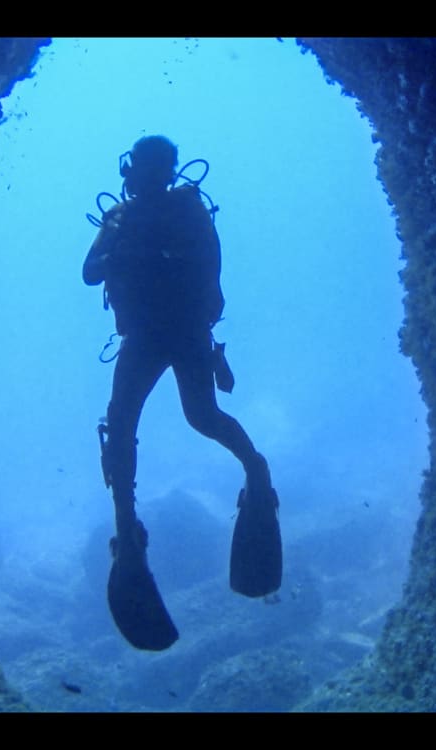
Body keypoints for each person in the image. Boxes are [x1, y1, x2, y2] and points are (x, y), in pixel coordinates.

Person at [83, 135, 281, 651]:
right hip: (165, 334)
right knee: (152, 420)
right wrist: (117, 243)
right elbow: (90, 272)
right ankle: (130, 529)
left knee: (185, 418)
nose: (144, 177)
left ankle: (135, 528)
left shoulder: (168, 213)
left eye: (150, 168)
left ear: (153, 169)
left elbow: (93, 272)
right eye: (144, 169)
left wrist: (119, 247)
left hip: (168, 333)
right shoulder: (134, 217)